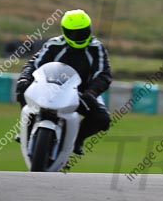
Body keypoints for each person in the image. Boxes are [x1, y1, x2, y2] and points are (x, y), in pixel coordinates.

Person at [15, 9, 112, 156]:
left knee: (102, 118)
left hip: (83, 92)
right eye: (73, 33)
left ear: (90, 29)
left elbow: (103, 74)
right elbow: (34, 64)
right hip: (49, 87)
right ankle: (26, 129)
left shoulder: (97, 48)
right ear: (65, 32)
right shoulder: (54, 44)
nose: (78, 36)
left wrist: (91, 92)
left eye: (83, 32)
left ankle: (77, 140)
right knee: (22, 88)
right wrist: (26, 78)